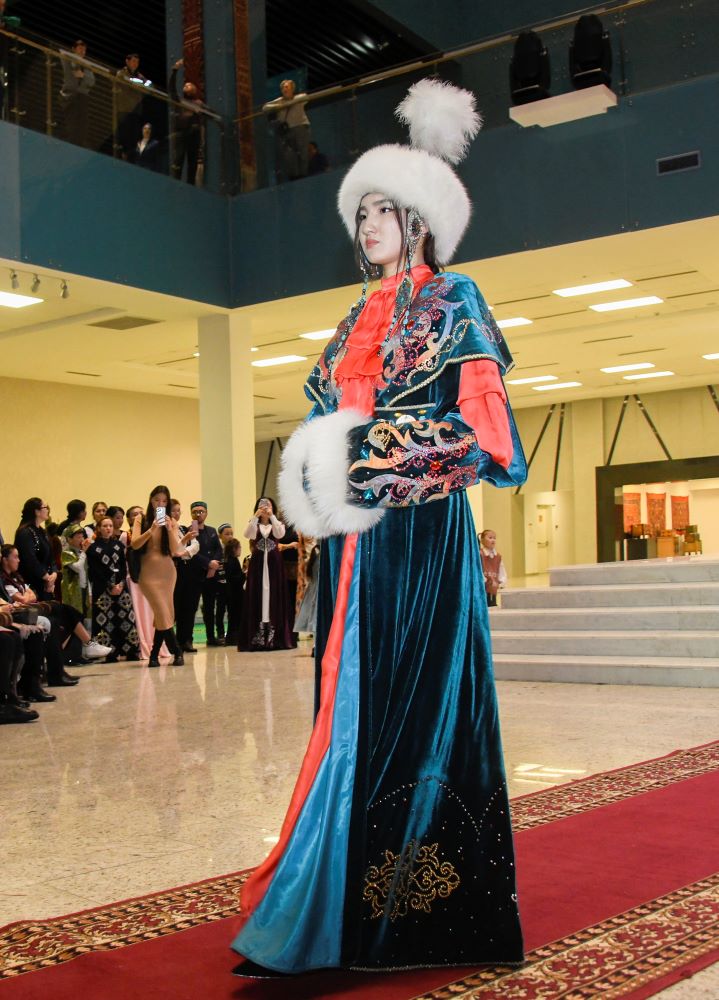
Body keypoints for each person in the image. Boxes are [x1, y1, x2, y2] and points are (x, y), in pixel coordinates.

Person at [231, 79, 527, 976]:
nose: (366, 225)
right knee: (346, 705)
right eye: (360, 212)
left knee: (416, 705)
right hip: (353, 547)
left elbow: (489, 442)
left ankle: (412, 911)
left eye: (383, 210)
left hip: (422, 540)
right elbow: (321, 425)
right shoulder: (353, 319)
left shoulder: (455, 301)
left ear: (420, 222)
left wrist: (369, 459)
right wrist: (324, 474)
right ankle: (331, 900)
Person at [130, 486, 184, 667]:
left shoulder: (172, 522)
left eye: (164, 501)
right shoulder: (141, 519)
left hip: (167, 573)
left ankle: (154, 655)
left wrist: (168, 529)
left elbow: (176, 551)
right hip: (147, 574)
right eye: (156, 500)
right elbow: (135, 544)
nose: (160, 504)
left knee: (164, 614)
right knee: (162, 611)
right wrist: (151, 530)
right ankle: (177, 651)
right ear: (150, 500)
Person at [238, 498, 295, 652]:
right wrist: (255, 517)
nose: (264, 508)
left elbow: (280, 533)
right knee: (258, 595)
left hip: (274, 564)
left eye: (268, 505)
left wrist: (272, 517)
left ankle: (274, 637)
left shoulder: (277, 523)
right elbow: (248, 535)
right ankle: (258, 637)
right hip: (257, 564)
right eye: (261, 505)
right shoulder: (254, 524)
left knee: (274, 594)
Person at [86, 517, 140, 662]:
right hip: (102, 589)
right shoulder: (92, 548)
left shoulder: (119, 545)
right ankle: (109, 653)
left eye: (110, 525)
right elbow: (95, 571)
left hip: (121, 588)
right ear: (99, 528)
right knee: (105, 621)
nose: (108, 528)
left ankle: (131, 651)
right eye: (105, 526)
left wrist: (120, 584)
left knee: (126, 618)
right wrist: (110, 586)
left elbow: (123, 567)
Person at [177, 501, 223, 650]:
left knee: (209, 607)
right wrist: (208, 563)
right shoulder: (187, 531)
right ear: (191, 514)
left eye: (201, 511)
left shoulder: (212, 531)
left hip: (211, 575)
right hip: (194, 575)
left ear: (206, 513)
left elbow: (218, 549)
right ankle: (187, 640)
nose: (198, 514)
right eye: (195, 511)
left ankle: (211, 637)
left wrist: (214, 565)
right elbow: (191, 552)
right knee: (190, 609)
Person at [263, 78, 311, 181]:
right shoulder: (279, 101)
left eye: (286, 87)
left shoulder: (299, 97)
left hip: (300, 127)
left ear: (292, 89)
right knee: (289, 154)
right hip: (287, 131)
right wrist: (279, 105)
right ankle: (294, 176)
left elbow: (306, 97)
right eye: (283, 88)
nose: (284, 89)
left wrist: (289, 102)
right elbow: (265, 107)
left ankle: (304, 174)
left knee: (303, 151)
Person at [169, 58, 205, 185]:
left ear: (194, 90)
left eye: (188, 85)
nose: (185, 86)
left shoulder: (199, 103)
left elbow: (207, 116)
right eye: (185, 85)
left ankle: (190, 185)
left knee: (192, 163)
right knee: (178, 161)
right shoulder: (179, 100)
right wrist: (175, 70)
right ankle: (176, 184)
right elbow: (172, 89)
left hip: (194, 135)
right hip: (181, 133)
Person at [170, 499, 199, 652]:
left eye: (178, 510)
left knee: (188, 606)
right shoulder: (167, 529)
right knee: (175, 605)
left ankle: (186, 640)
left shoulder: (183, 528)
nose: (176, 513)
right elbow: (174, 550)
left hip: (188, 569)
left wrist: (185, 552)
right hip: (174, 570)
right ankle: (172, 643)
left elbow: (196, 545)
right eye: (173, 510)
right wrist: (182, 546)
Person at [60, 39, 95, 148]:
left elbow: (92, 81)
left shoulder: (86, 65)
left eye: (84, 50)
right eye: (80, 49)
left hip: (83, 96)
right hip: (70, 94)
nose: (82, 51)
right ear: (74, 49)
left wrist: (83, 76)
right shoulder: (67, 59)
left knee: (83, 123)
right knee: (71, 121)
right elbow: (69, 72)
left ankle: (79, 145)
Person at [115, 53, 147, 159]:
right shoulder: (121, 73)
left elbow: (148, 85)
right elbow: (126, 83)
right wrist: (137, 83)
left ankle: (131, 158)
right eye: (133, 61)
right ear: (127, 61)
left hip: (136, 111)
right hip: (124, 110)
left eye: (137, 62)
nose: (135, 64)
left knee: (134, 138)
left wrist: (138, 83)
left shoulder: (140, 76)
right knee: (124, 137)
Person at [60, 523, 89, 617]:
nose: (82, 540)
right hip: (73, 589)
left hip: (84, 587)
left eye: (82, 537)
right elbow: (78, 568)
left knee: (86, 613)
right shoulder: (66, 553)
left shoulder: (82, 552)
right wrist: (84, 552)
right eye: (78, 537)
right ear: (69, 539)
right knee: (75, 615)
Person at [222, 537, 244, 646]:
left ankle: (233, 637)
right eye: (239, 547)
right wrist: (244, 574)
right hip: (234, 594)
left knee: (233, 616)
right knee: (235, 616)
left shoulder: (231, 560)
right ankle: (233, 638)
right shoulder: (232, 561)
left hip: (233, 593)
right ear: (234, 549)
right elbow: (234, 578)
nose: (240, 549)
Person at [479, 528, 507, 607]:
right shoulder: (480, 554)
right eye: (490, 538)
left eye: (494, 538)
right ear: (482, 540)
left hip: (494, 584)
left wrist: (502, 581)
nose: (493, 540)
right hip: (484, 585)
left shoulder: (498, 556)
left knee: (493, 602)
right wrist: (483, 580)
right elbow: (478, 569)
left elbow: (501, 569)